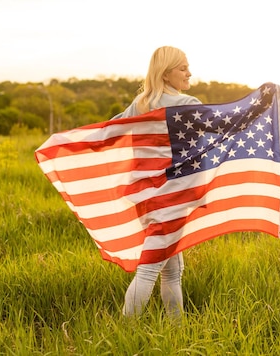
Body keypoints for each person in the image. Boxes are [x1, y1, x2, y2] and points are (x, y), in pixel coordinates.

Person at [112, 46, 201, 320]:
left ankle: (177, 330)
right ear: (166, 73)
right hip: (170, 199)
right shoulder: (188, 104)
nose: (190, 73)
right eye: (183, 68)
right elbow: (223, 126)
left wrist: (71, 140)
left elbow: (110, 129)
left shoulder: (140, 104)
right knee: (150, 268)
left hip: (146, 198)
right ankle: (123, 331)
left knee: (172, 269)